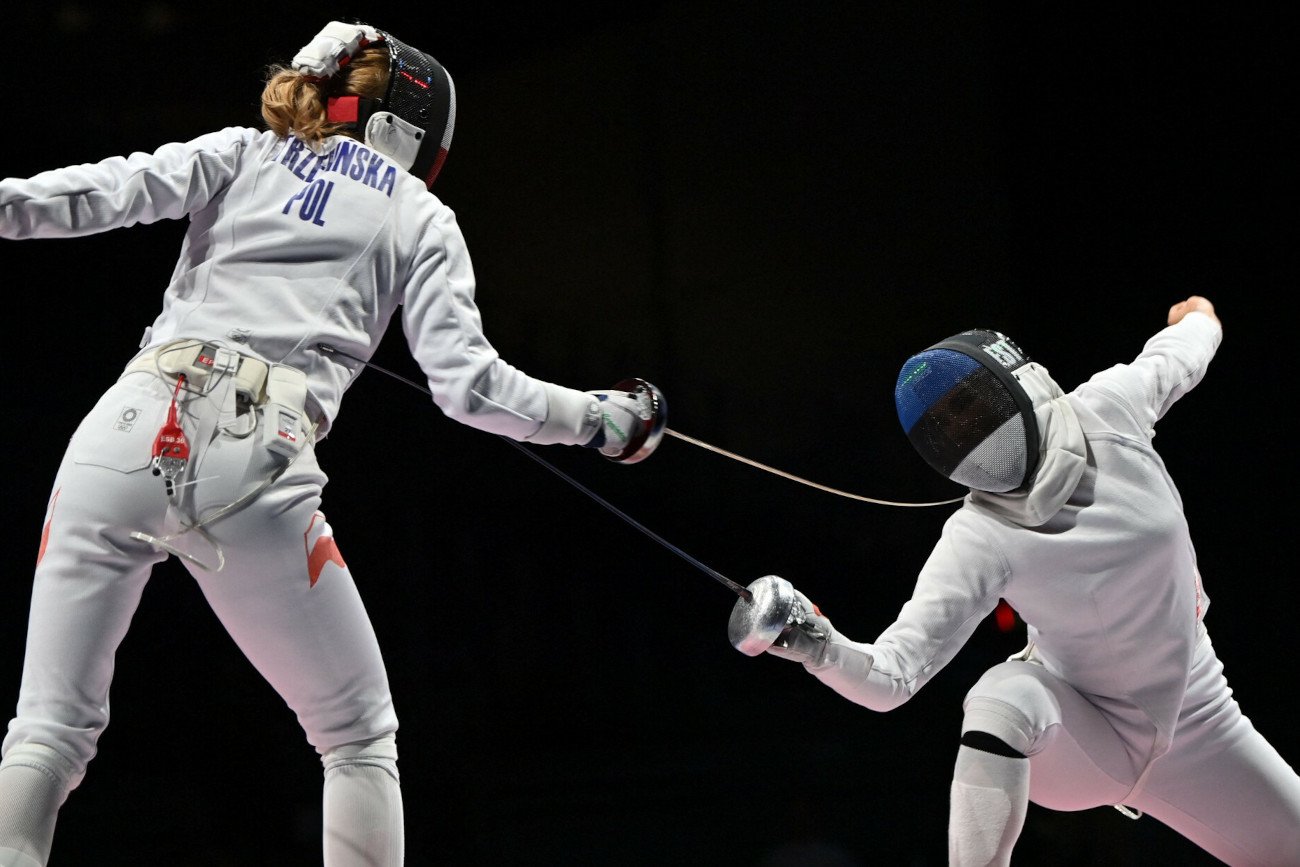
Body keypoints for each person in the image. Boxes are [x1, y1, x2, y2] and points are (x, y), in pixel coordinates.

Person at [0, 20, 664, 867]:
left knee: (49, 727)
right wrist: (605, 420)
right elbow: (473, 390)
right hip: (255, 451)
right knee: (355, 735)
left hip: (124, 426)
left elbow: (81, 197)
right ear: (413, 136)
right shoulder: (417, 211)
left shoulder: (242, 151)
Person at [729, 296, 1300, 865]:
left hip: (1202, 722)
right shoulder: (978, 535)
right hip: (1079, 735)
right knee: (1004, 696)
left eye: (969, 409)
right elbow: (893, 677)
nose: (966, 436)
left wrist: (1197, 315)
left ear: (1016, 382)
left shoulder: (1110, 408)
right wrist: (817, 646)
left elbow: (1186, 348)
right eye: (943, 429)